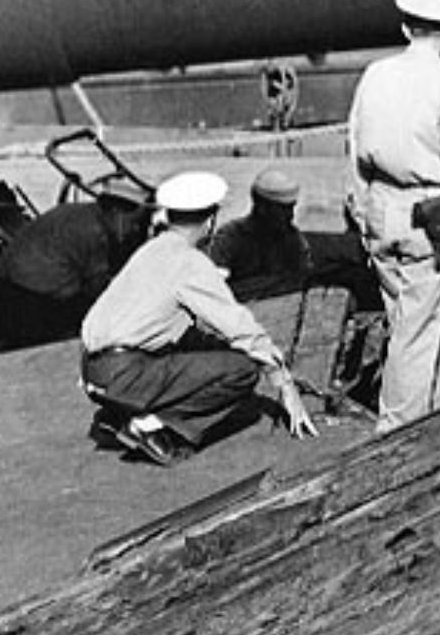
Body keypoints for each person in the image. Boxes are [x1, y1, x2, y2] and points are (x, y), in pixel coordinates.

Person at [80, 170, 316, 465]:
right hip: (125, 373)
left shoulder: (152, 250)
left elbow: (167, 325)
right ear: (210, 220)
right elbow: (239, 327)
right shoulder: (191, 263)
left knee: (199, 352)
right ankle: (152, 424)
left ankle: (120, 410)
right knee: (241, 369)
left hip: (93, 371)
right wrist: (283, 381)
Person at [346, 0, 440, 434]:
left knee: (416, 322)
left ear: (406, 27)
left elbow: (353, 146)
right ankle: (395, 435)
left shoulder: (375, 74)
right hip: (426, 217)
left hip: (379, 210)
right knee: (416, 329)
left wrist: (357, 209)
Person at [0, 181, 153, 346]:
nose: (134, 229)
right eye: (133, 222)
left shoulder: (79, 212)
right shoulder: (96, 233)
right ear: (117, 213)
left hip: (2, 285)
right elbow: (97, 289)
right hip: (25, 301)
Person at [207, 169, 312, 283]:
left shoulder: (293, 240)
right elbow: (213, 283)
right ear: (262, 207)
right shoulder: (230, 238)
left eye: (291, 208)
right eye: (283, 210)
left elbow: (304, 278)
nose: (291, 215)